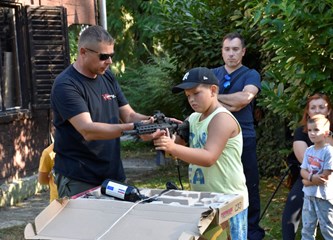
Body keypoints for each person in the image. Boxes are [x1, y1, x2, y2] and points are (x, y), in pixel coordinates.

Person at [50, 25, 155, 198]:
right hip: (80, 178)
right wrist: (134, 127)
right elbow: (88, 130)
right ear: (83, 52)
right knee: (86, 226)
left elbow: (128, 115)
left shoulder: (106, 76)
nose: (109, 62)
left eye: (111, 56)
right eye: (103, 56)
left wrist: (152, 122)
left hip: (113, 175)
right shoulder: (66, 85)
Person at [153, 67, 249, 239]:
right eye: (188, 95)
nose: (191, 99)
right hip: (204, 201)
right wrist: (164, 135)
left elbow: (209, 157)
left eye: (196, 93)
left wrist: (172, 147)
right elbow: (177, 150)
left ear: (213, 90)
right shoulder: (194, 118)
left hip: (229, 203)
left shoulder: (222, 118)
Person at [211, 32, 264, 240]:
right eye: (227, 49)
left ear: (243, 52)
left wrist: (214, 98)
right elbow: (202, 101)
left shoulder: (251, 74)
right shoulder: (212, 73)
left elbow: (244, 98)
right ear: (222, 51)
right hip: (216, 135)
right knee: (219, 182)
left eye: (235, 49)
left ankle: (252, 230)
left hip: (244, 136)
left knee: (248, 182)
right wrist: (226, 101)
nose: (231, 54)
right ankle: (219, 228)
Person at [282, 93, 333, 239]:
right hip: (309, 176)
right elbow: (305, 160)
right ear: (308, 112)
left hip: (329, 178)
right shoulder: (302, 132)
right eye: (313, 107)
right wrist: (310, 180)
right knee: (294, 201)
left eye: (321, 107)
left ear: (328, 111)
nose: (317, 110)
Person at [300, 114, 333, 239]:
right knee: (307, 228)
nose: (312, 133)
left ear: (326, 133)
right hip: (309, 196)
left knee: (328, 228)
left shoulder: (329, 151)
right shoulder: (309, 150)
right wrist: (309, 178)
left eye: (316, 130)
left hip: (324, 197)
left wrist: (307, 181)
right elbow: (303, 170)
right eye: (309, 130)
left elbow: (325, 177)